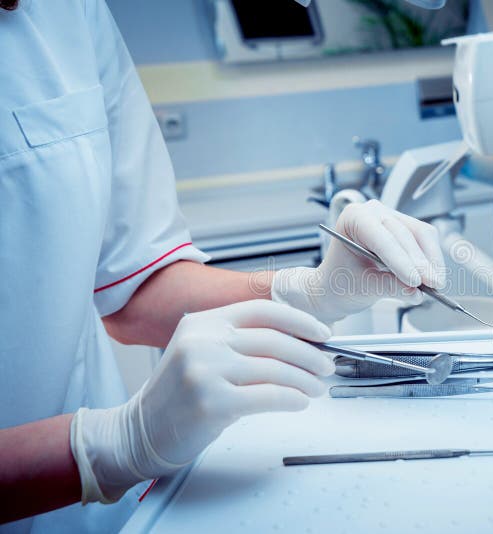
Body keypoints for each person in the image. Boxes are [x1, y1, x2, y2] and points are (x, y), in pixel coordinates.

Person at [0, 1, 446, 531]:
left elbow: (137, 289)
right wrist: (110, 446)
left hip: (102, 519)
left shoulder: (67, 13)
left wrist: (310, 291)